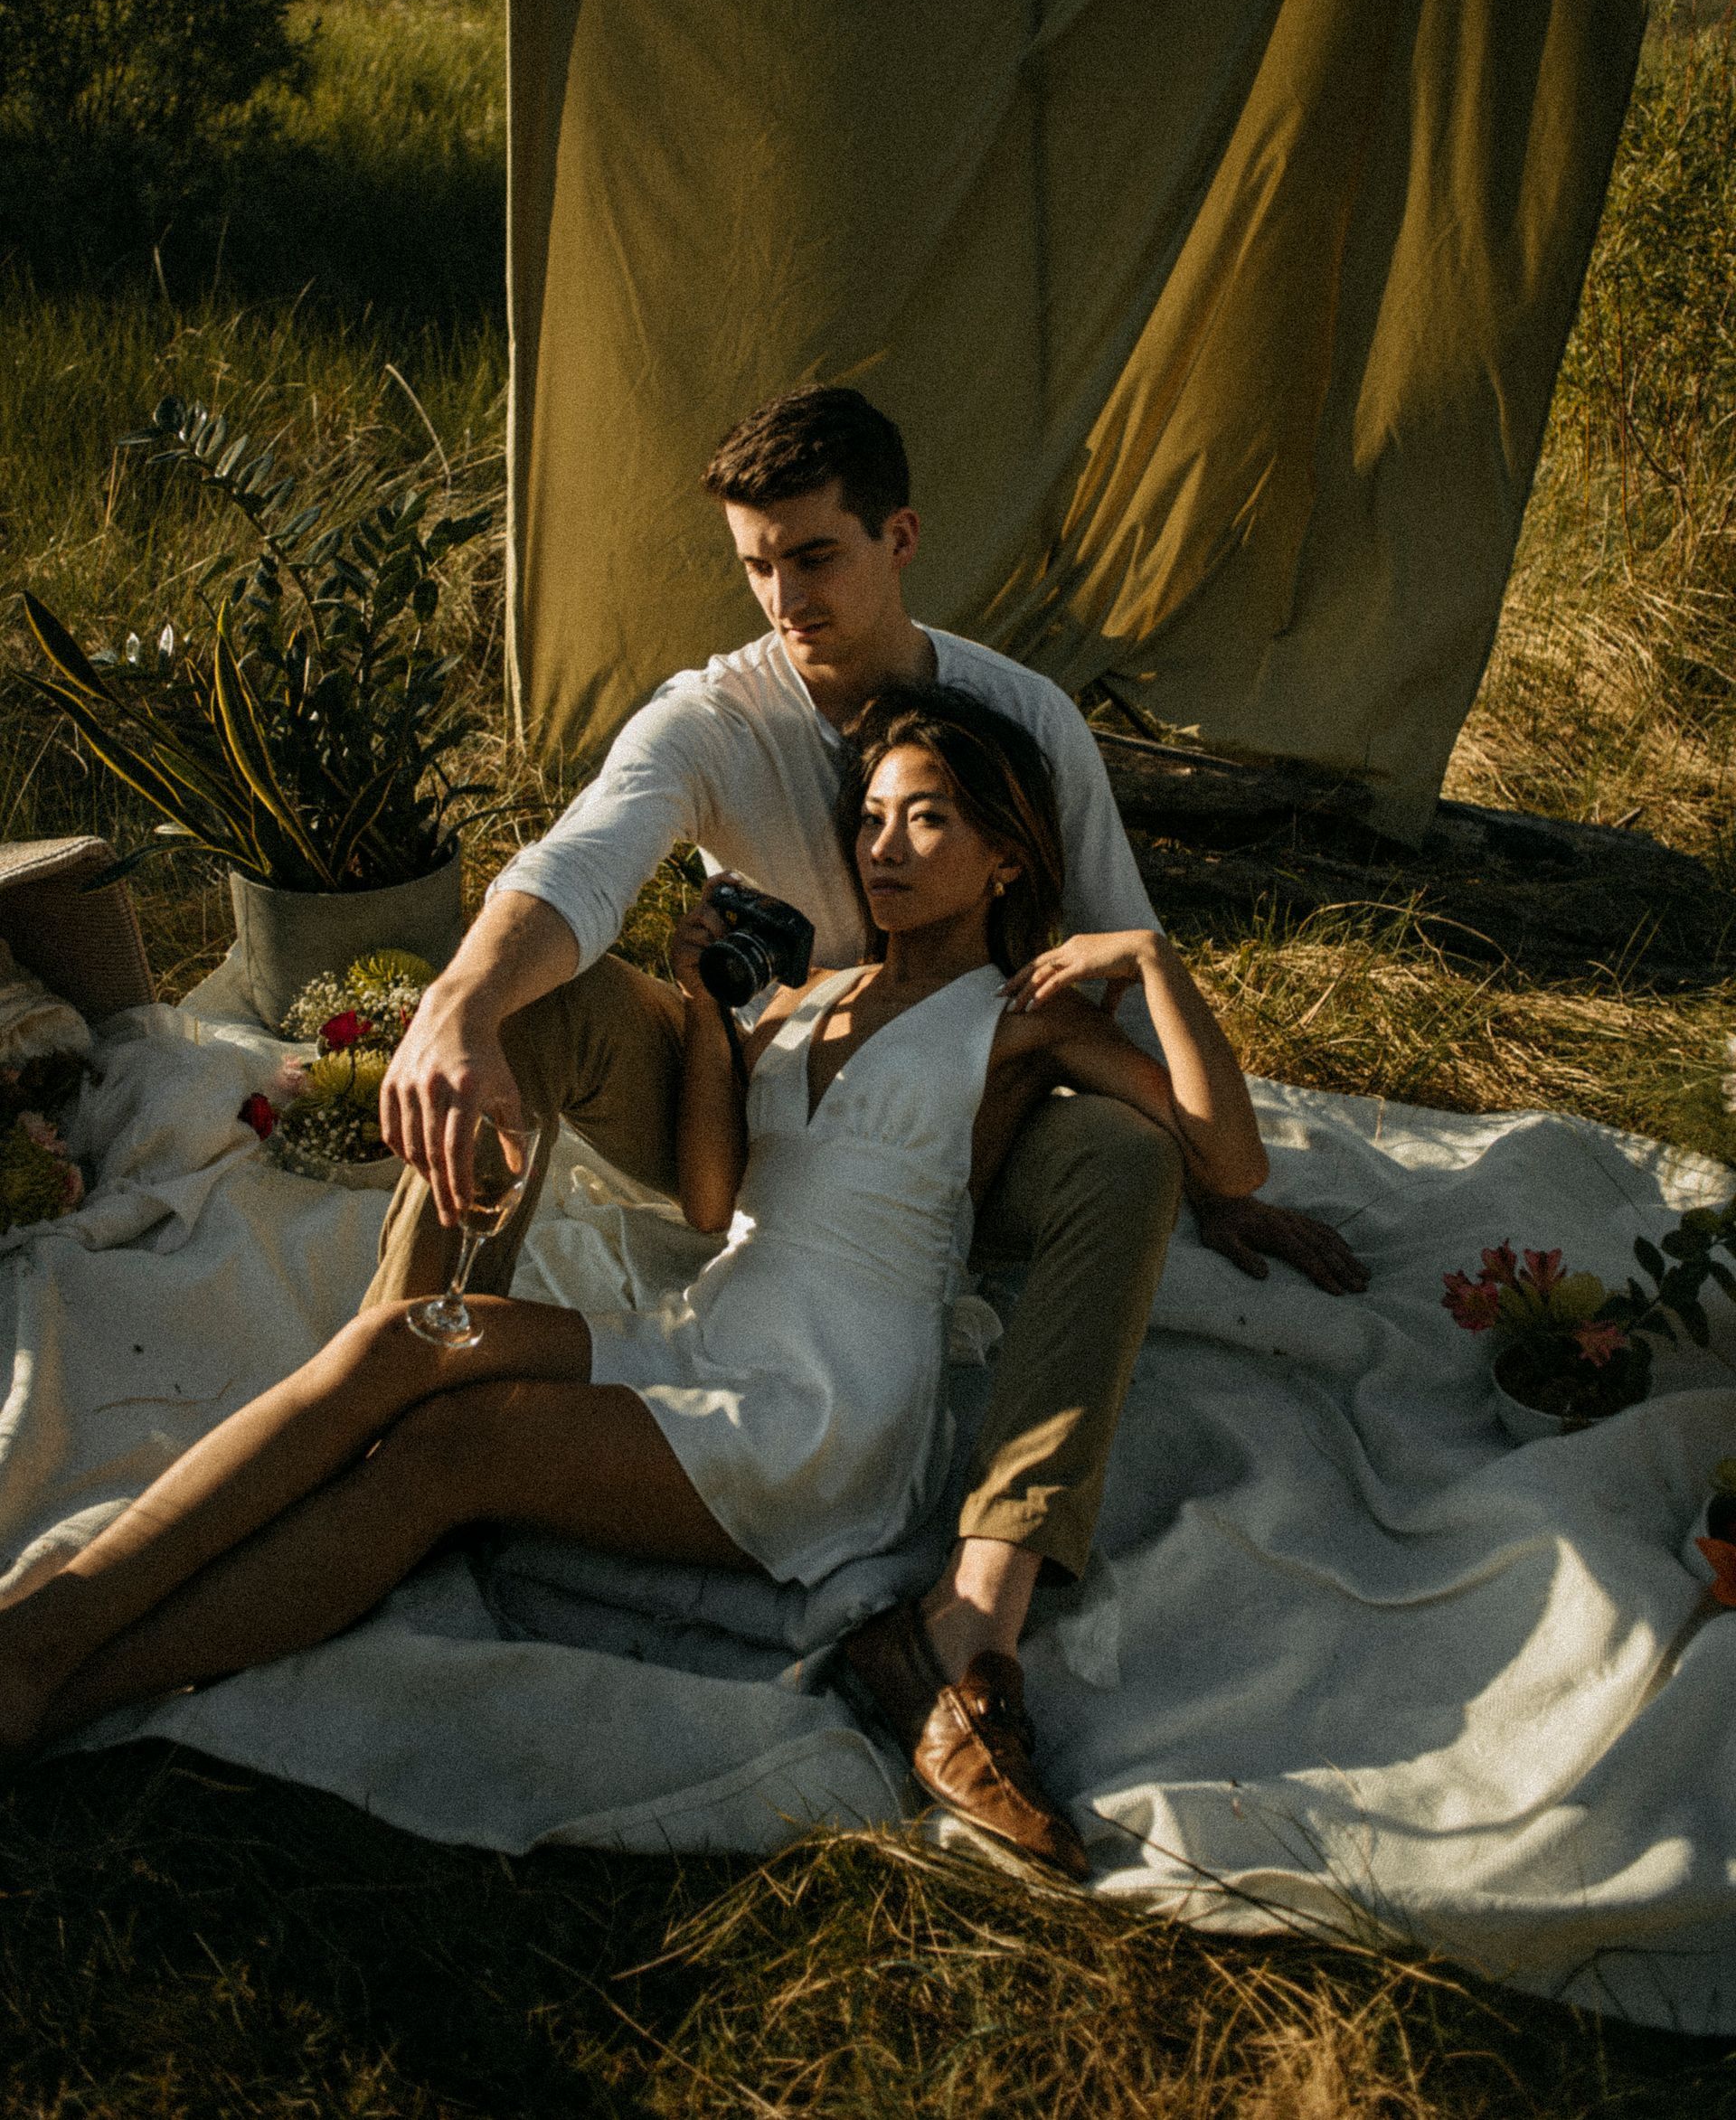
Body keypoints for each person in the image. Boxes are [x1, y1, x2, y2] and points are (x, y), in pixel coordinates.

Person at [0, 692, 1269, 1889]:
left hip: (824, 1399)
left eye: (926, 817)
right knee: (410, 1337)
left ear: (1006, 858)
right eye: (872, 815)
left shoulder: (1020, 1015)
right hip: (704, 1325)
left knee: (448, 1447)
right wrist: (717, 1020)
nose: (884, 845)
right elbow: (713, 1201)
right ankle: (62, 1620)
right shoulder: (810, 997)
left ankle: (67, 1675)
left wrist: (1151, 964)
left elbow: (1225, 1156)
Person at [368, 383, 1367, 1870]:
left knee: (1123, 1148)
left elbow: (1113, 949)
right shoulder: (715, 713)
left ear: (898, 540)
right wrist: (454, 1003)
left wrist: (1216, 1188)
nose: (785, 599)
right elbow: (577, 864)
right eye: (759, 564)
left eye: (817, 558)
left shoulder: (1020, 721)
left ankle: (969, 1623)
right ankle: (396, 1370)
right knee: (532, 1004)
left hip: (959, 1127)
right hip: (757, 1094)